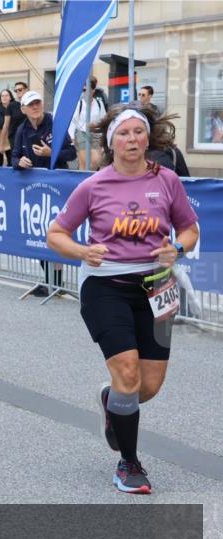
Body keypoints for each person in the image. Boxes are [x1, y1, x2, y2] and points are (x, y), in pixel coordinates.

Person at [46, 103, 199, 494]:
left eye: (138, 132)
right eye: (124, 133)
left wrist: (177, 250)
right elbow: (56, 234)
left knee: (147, 386)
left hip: (157, 289)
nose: (132, 139)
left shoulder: (166, 180)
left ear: (148, 138)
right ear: (110, 141)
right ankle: (128, 464)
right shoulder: (94, 185)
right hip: (105, 287)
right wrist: (82, 252)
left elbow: (189, 229)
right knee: (128, 372)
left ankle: (111, 399)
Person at [13, 90, 76, 297]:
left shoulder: (54, 123)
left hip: (57, 188)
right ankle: (50, 281)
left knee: (56, 232)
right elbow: (13, 158)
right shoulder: (21, 129)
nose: (35, 107)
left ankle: (56, 282)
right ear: (23, 109)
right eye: (30, 104)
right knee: (38, 233)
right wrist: (20, 162)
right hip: (34, 191)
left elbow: (72, 153)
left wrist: (52, 153)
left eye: (38, 103)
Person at [71, 77, 107, 169]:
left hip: (96, 135)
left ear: (93, 90)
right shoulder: (79, 104)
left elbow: (103, 121)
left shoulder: (99, 103)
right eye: (83, 90)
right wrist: (71, 137)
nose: (84, 92)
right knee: (86, 162)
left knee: (95, 161)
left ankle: (84, 180)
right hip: (81, 134)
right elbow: (73, 121)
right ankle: (85, 181)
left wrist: (105, 137)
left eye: (87, 90)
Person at [5, 81, 29, 165]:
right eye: (16, 91)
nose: (18, 92)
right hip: (14, 138)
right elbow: (6, 125)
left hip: (28, 136)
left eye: (20, 89)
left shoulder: (30, 104)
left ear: (26, 89)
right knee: (15, 161)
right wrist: (1, 144)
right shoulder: (11, 106)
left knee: (27, 160)